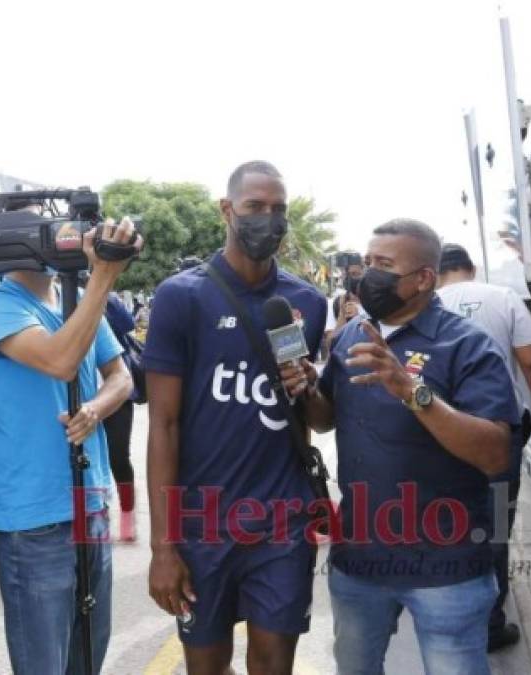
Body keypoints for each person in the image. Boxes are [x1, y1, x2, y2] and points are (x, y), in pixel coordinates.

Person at [288, 218, 519, 675]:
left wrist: (411, 390)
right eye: (367, 261)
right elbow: (327, 417)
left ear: (423, 279)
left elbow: (495, 453)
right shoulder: (354, 335)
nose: (367, 273)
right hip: (360, 562)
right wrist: (306, 390)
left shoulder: (467, 345)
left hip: (447, 567)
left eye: (384, 264)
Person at [145, 160, 328, 674]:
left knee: (273, 664)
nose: (267, 220)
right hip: (203, 524)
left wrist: (308, 383)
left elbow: (312, 417)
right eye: (254, 208)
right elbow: (162, 425)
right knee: (207, 666)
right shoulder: (181, 297)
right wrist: (164, 546)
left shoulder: (303, 303)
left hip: (283, 523)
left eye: (278, 210)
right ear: (227, 210)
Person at [0, 215, 138, 673]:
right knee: (46, 663)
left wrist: (95, 409)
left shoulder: (78, 300)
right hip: (33, 520)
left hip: (91, 505)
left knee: (88, 656)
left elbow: (121, 377)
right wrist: (104, 273)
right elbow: (61, 360)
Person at [437, 242, 531, 651]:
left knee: (442, 521)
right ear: (471, 268)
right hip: (497, 433)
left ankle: (441, 613)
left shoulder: (424, 304)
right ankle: (489, 624)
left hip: (438, 433)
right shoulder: (503, 297)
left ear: (435, 272)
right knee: (492, 525)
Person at [104, 290, 141, 542]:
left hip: (118, 391)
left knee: (118, 457)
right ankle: (97, 516)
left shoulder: (106, 296)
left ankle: (127, 514)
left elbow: (127, 323)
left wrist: (102, 291)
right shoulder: (63, 295)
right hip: (81, 392)